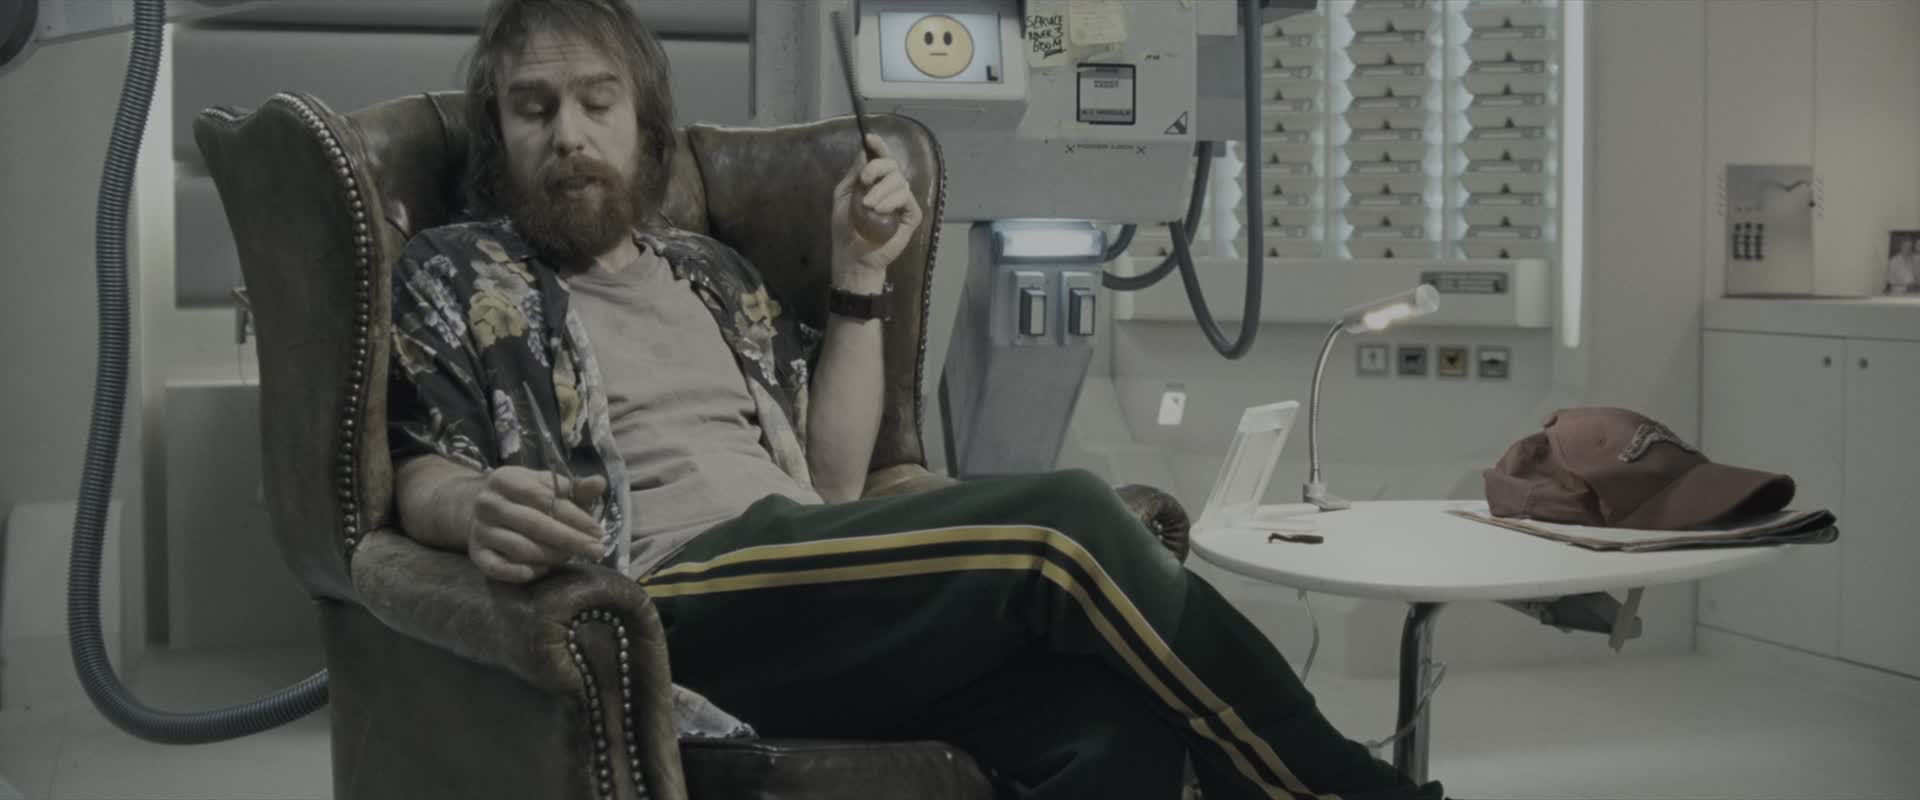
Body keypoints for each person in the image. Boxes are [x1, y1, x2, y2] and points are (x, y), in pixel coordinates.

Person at [385, 1, 1446, 798]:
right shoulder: (458, 270)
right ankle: (1346, 787)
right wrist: (471, 508)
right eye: (533, 109)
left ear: (644, 125)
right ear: (500, 136)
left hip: (804, 577)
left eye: (595, 102)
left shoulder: (712, 274)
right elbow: (417, 464)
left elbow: (833, 478)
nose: (568, 134)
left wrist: (859, 270)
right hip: (663, 597)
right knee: (1064, 519)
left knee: (1105, 727)